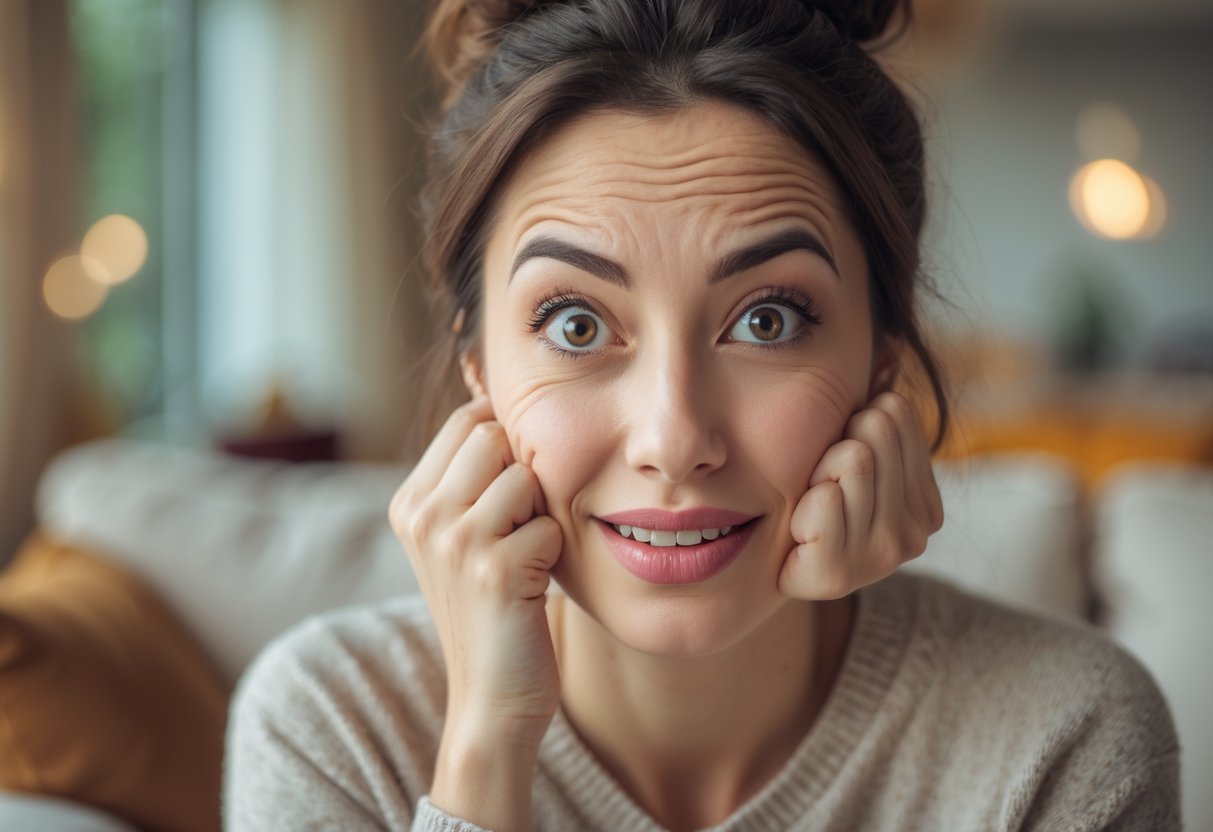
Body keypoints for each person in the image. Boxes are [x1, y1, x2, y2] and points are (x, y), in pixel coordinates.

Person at [222, 1, 1181, 829]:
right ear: (480, 370)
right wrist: (482, 751)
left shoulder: (1065, 737)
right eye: (576, 321)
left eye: (766, 320)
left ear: (882, 364)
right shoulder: (329, 727)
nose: (674, 440)